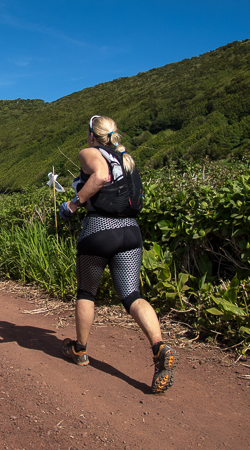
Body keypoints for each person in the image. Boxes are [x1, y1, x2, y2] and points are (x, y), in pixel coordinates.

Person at [59, 115, 178, 394]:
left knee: (86, 292)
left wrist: (74, 204)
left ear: (92, 134)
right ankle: (159, 346)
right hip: (130, 232)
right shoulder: (126, 157)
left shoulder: (89, 152)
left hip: (100, 230)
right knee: (132, 295)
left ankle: (80, 350)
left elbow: (100, 175)